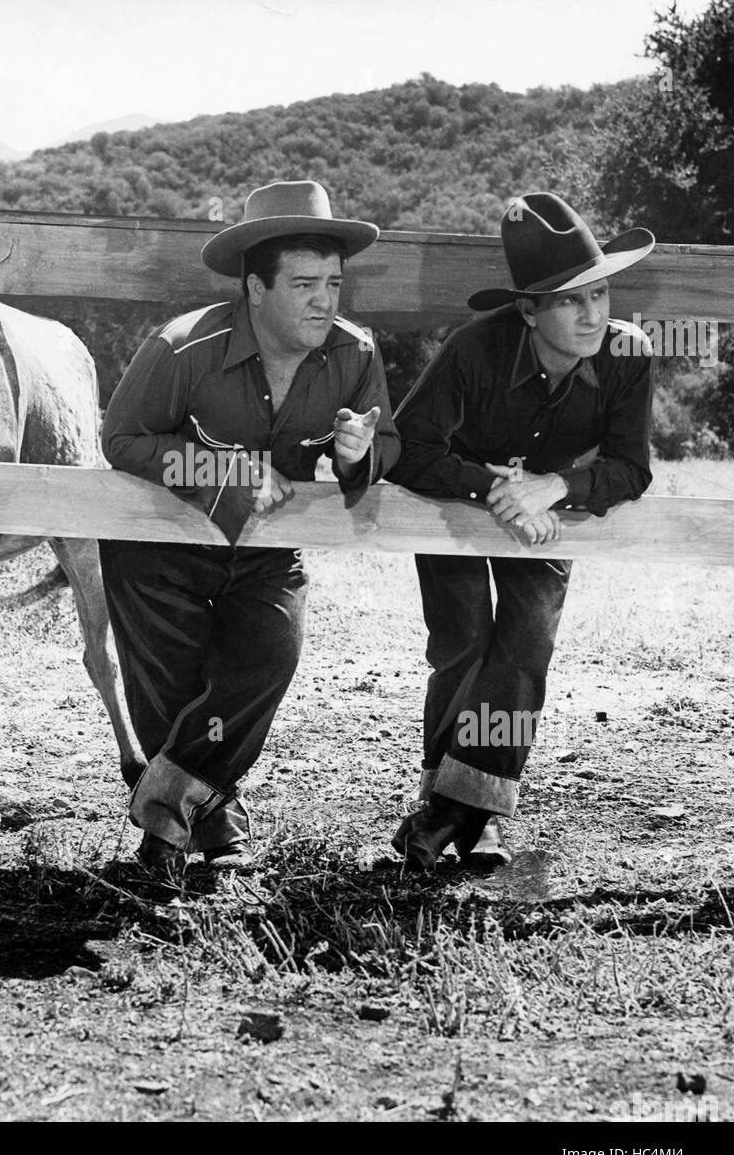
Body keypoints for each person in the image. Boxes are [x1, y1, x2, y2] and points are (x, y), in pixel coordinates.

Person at [100, 180, 400, 875]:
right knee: (169, 683)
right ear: (255, 289)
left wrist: (361, 455)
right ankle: (197, 826)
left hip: (266, 549)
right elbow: (122, 440)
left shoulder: (354, 355)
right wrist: (226, 469)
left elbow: (382, 446)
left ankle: (165, 810)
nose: (325, 300)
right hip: (158, 545)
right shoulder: (181, 348)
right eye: (304, 285)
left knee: (269, 654)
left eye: (332, 282)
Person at [389, 192, 655, 869]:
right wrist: (491, 486)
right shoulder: (472, 350)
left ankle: (462, 810)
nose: (592, 314)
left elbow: (630, 469)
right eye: (570, 301)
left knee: (528, 638)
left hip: (549, 513)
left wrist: (554, 486)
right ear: (528, 310)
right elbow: (411, 449)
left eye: (599, 294)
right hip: (455, 502)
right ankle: (456, 803)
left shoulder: (626, 355)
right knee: (462, 636)